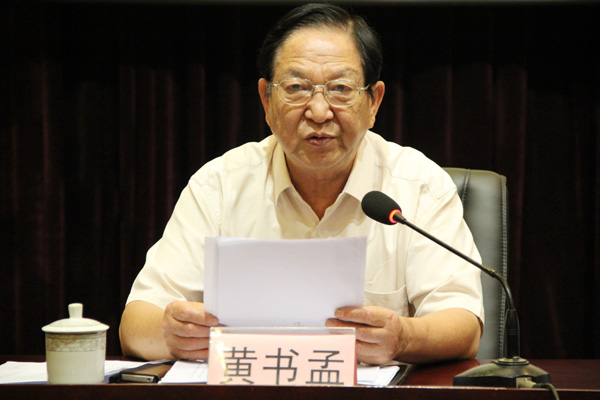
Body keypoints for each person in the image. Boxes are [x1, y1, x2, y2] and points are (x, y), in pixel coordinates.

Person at [119, 3, 483, 366]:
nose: (319, 111)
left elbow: (464, 324)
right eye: (296, 87)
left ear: (373, 102)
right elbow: (135, 327)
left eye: (340, 88)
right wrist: (173, 334)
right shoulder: (219, 186)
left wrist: (404, 337)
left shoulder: (419, 186)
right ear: (266, 100)